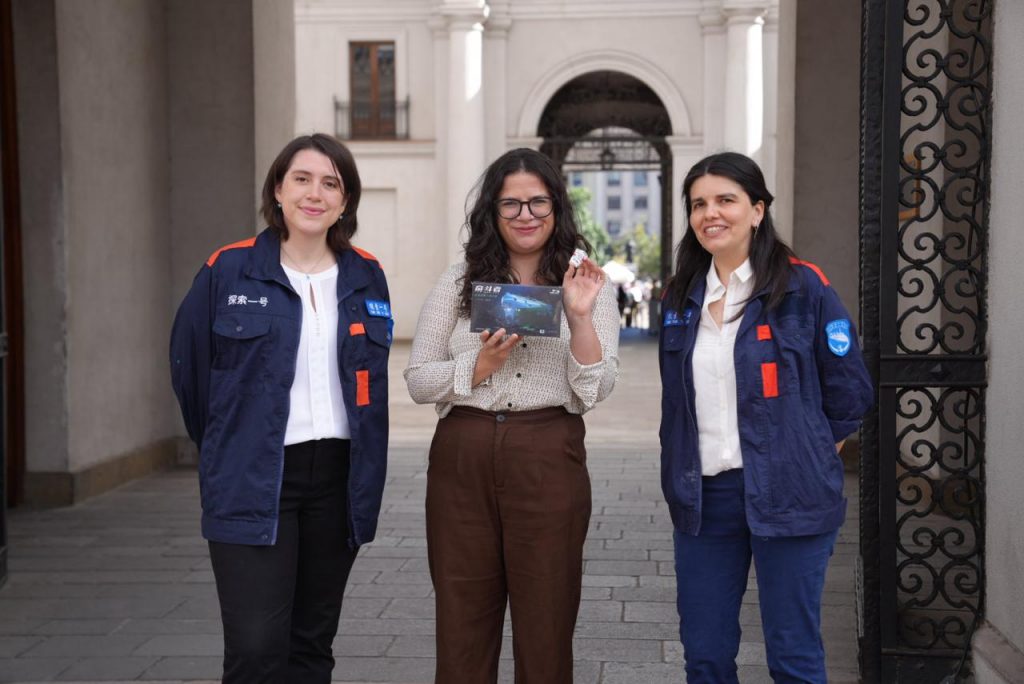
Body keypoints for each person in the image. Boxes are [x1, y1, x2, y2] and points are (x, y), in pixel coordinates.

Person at [170, 133, 391, 683]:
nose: (315, 194)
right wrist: (230, 445)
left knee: (311, 644)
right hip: (253, 476)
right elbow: (190, 375)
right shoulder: (228, 270)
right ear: (277, 188)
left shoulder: (366, 274)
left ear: (345, 200)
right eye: (302, 179)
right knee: (255, 649)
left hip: (337, 481)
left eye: (331, 183)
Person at [404, 148, 619, 684]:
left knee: (547, 619)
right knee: (462, 619)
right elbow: (418, 379)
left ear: (557, 207)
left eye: (538, 202)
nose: (526, 215)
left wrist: (579, 316)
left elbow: (595, 388)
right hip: (463, 454)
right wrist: (478, 366)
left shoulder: (587, 282)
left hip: (547, 453)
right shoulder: (458, 282)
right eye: (511, 204)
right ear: (492, 212)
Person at [658, 152, 873, 683]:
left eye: (725, 200)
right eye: (698, 204)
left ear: (757, 210)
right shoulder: (680, 297)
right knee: (705, 655)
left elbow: (850, 390)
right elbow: (676, 401)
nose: (711, 213)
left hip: (790, 495)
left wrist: (809, 452)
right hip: (705, 500)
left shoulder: (804, 287)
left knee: (793, 656)